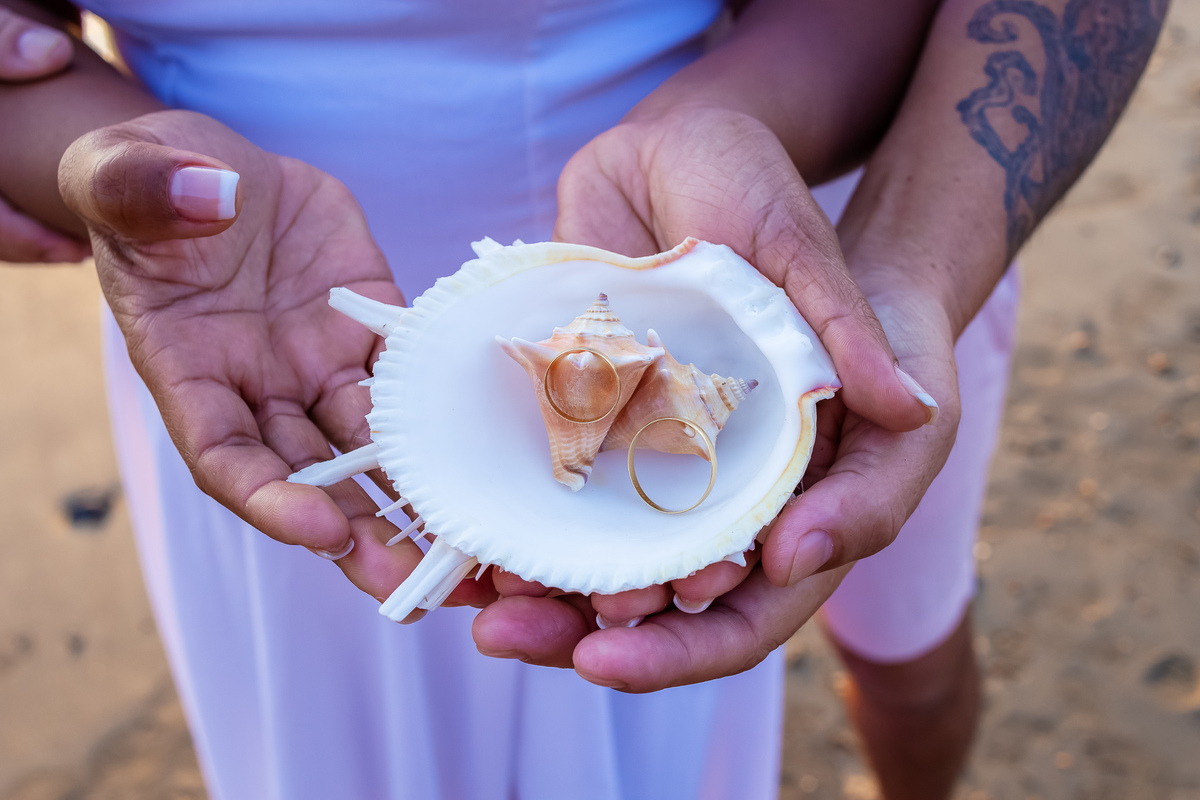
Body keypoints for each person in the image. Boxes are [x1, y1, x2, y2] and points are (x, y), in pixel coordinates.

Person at [0, 1, 1164, 798]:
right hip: (255, 322)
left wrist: (891, 245)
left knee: (907, 642)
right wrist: (99, 153)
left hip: (791, 228)